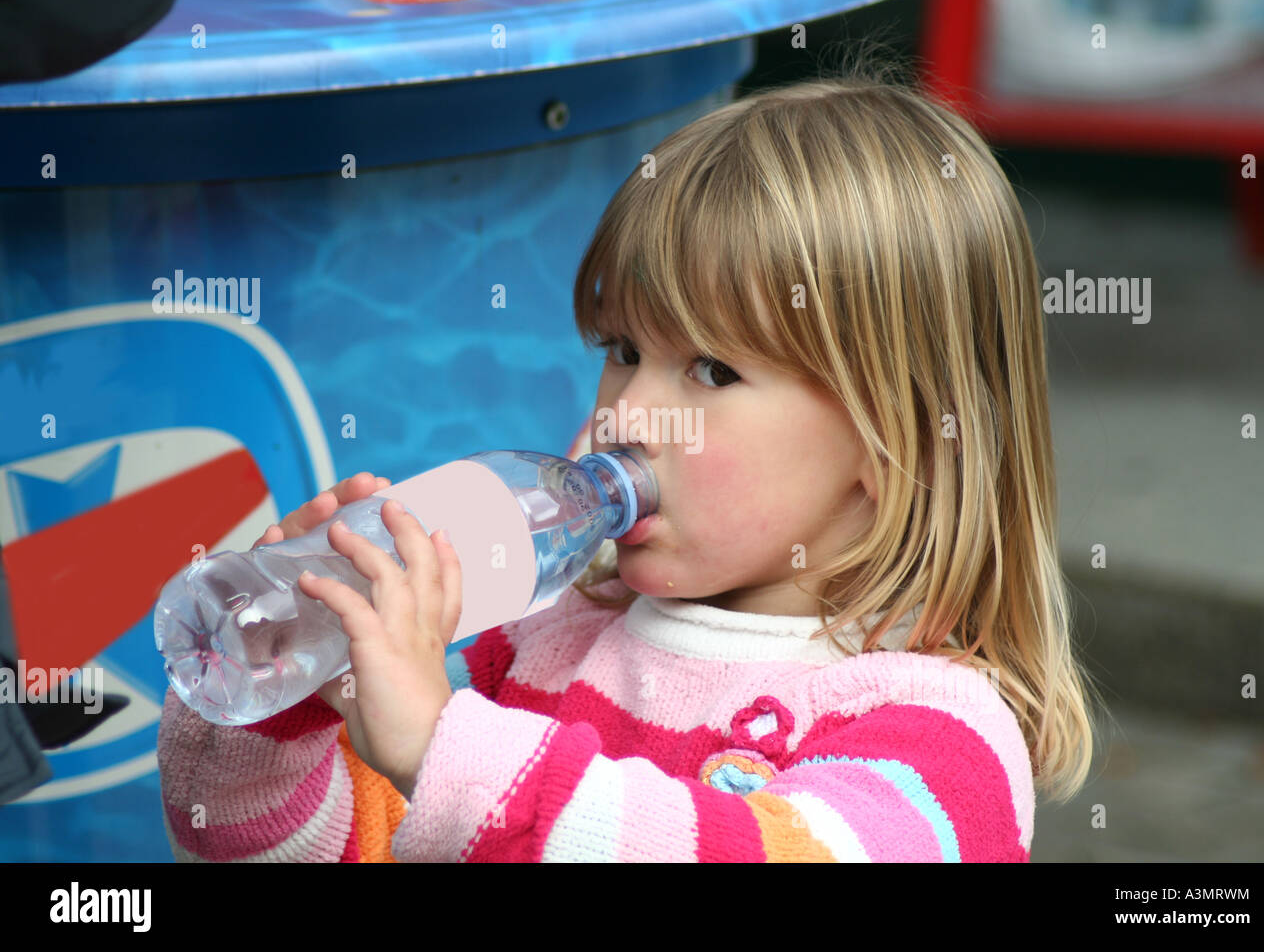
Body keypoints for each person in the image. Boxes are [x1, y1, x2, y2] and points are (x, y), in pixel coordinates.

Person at [156, 62, 1103, 862]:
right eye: (621, 351)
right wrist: (283, 693)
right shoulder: (537, 649)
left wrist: (445, 745)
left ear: (892, 445)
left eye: (712, 369)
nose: (630, 413)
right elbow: (314, 845)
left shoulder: (935, 735)